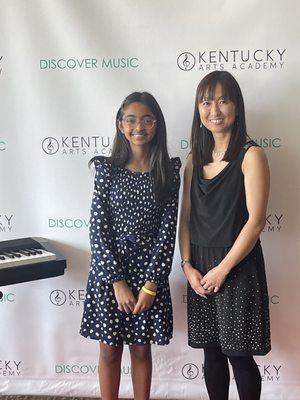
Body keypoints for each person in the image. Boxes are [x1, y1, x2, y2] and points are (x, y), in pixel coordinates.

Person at [80, 92, 181, 400]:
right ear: (120, 125)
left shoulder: (169, 171)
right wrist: (117, 282)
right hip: (111, 277)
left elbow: (168, 233)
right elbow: (98, 229)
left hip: (148, 276)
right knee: (109, 351)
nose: (140, 127)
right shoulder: (106, 170)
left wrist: (151, 285)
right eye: (132, 119)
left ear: (157, 125)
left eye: (148, 119)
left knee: (140, 350)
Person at [179, 71, 271, 400]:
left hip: (237, 266)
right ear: (198, 110)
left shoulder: (251, 156)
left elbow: (256, 222)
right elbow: (186, 217)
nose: (214, 109)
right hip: (200, 265)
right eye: (206, 102)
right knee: (211, 352)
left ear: (236, 106)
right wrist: (188, 266)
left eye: (222, 100)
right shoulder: (194, 160)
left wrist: (224, 268)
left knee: (239, 355)